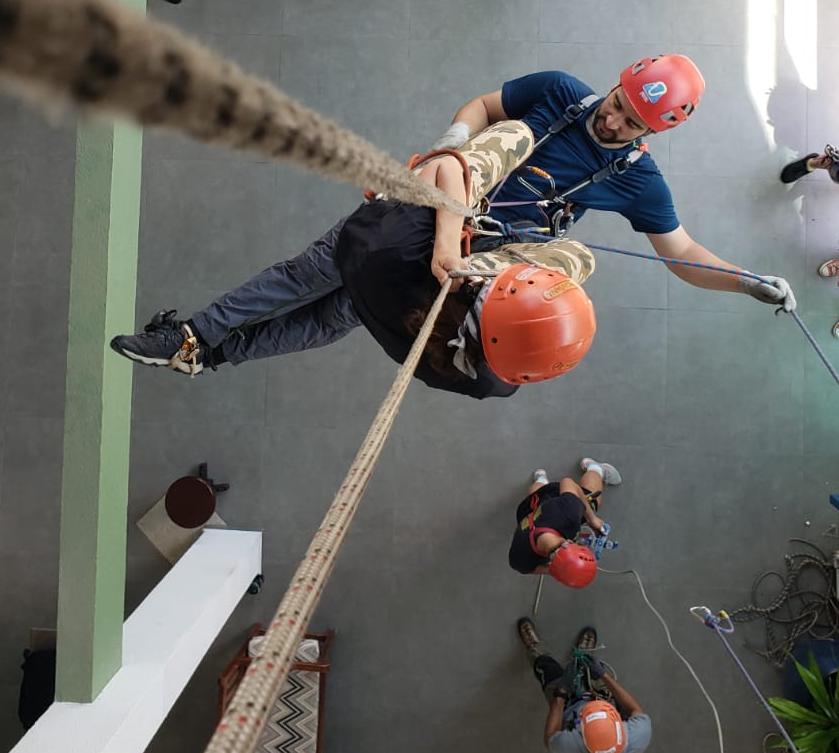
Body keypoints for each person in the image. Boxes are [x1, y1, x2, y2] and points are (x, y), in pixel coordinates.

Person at [111, 122, 597, 398]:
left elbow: (452, 165)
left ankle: (190, 337)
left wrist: (452, 240)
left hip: (380, 248)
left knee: (295, 282)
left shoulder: (407, 236)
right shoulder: (487, 381)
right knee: (318, 323)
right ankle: (209, 353)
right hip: (387, 310)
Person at [431, 57, 797, 313]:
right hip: (460, 186)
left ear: (651, 133)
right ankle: (449, 237)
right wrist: (455, 137)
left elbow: (682, 252)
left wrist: (745, 281)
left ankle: (475, 278)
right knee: (514, 132)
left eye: (632, 124)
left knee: (578, 259)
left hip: (504, 242)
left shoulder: (638, 179)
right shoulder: (559, 90)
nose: (611, 121)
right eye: (617, 102)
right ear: (615, 85)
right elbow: (484, 106)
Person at [516, 620, 652, 753]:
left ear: (582, 735)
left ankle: (535, 649)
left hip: (569, 708)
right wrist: (603, 675)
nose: (589, 699)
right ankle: (584, 657)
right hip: (602, 699)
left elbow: (550, 738)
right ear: (618, 726)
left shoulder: (569, 748)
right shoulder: (639, 735)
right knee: (593, 677)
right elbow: (634, 709)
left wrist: (561, 692)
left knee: (548, 670)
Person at [508, 457, 621, 583]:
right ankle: (540, 479)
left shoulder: (569, 514)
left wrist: (591, 518)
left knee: (594, 500)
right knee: (537, 495)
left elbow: (567, 482)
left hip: (555, 495)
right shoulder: (520, 559)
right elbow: (530, 569)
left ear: (570, 543)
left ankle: (594, 468)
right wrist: (551, 570)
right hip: (529, 509)